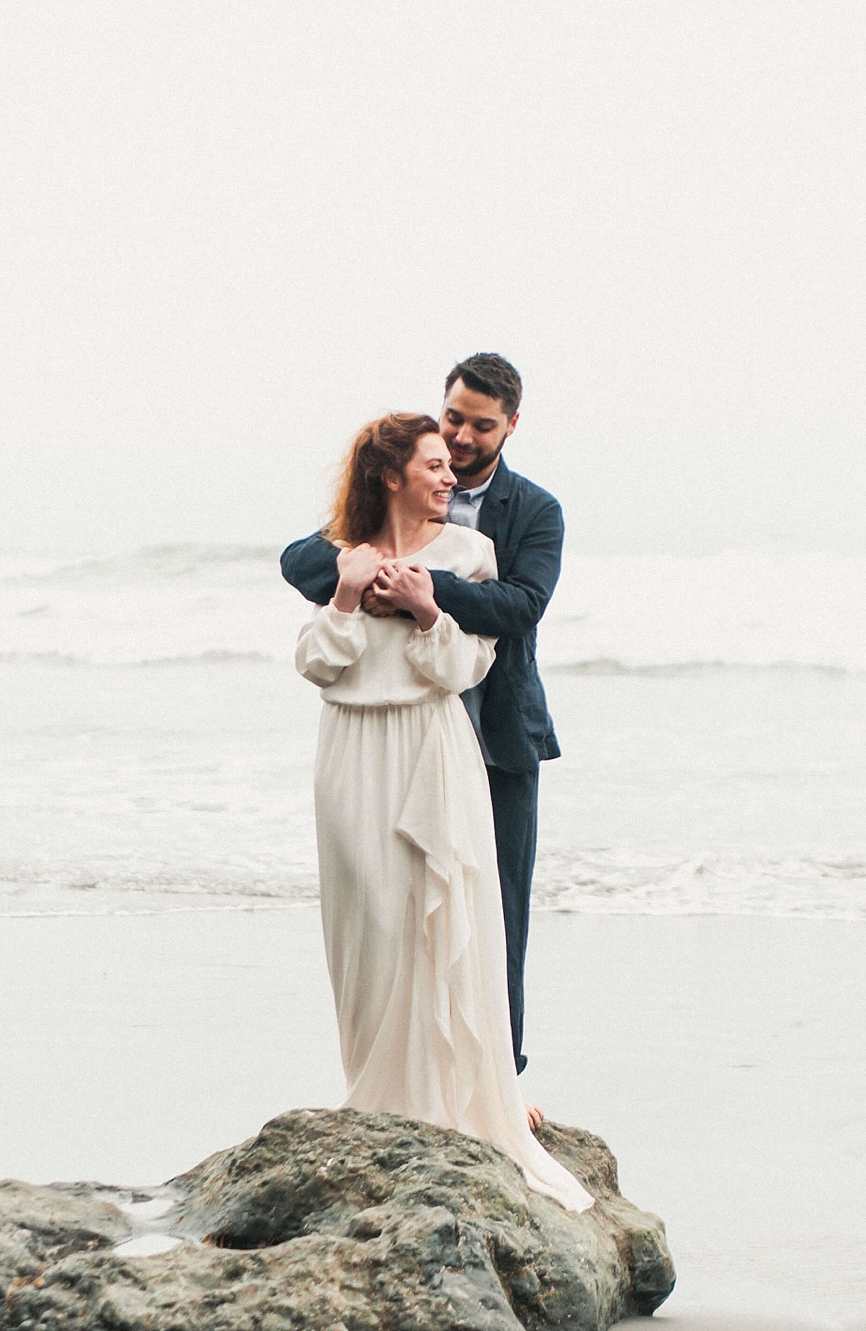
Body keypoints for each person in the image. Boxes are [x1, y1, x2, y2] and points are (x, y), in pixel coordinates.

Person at [294, 412, 592, 1213]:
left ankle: (454, 1096)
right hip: (352, 750)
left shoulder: (470, 555)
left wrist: (429, 610)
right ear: (392, 475)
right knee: (369, 922)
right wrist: (350, 597)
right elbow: (318, 663)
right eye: (432, 462)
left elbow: (465, 664)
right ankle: (375, 1088)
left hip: (432, 747)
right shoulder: (341, 558)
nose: (448, 474)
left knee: (439, 918)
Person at [281, 354, 562, 1081]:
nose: (462, 439)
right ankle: (391, 1066)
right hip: (377, 729)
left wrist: (423, 589)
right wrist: (369, 583)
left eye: (481, 426)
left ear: (512, 427)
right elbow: (302, 561)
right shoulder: (382, 506)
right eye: (454, 419)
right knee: (379, 906)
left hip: (489, 733)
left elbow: (521, 607)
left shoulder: (532, 513)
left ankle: (502, 1073)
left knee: (489, 905)